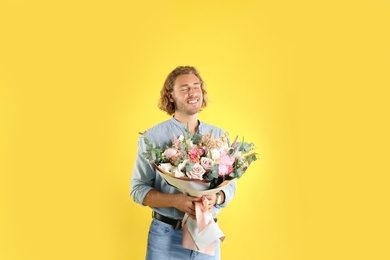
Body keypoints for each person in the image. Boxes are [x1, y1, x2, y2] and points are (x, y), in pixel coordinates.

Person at [130, 66, 236, 260]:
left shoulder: (219, 136)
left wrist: (217, 198)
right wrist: (176, 201)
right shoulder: (151, 138)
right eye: (184, 88)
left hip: (206, 234)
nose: (193, 92)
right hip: (165, 238)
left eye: (196, 86)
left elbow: (230, 185)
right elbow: (137, 190)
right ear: (171, 96)